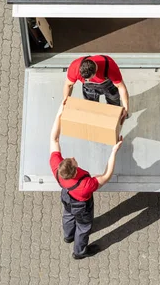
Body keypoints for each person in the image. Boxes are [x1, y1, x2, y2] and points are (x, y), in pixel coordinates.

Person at [49, 101, 124, 259]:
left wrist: (59, 112)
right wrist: (114, 151)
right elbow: (106, 176)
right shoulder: (85, 185)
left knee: (68, 215)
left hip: (67, 197)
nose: (74, 158)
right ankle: (79, 251)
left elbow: (54, 139)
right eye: (74, 161)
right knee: (84, 227)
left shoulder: (57, 167)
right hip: (82, 206)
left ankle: (68, 235)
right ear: (75, 170)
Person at [63, 55, 129, 122]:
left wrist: (126, 108)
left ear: (96, 72)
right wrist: (66, 99)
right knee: (92, 109)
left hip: (109, 87)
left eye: (89, 78)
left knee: (114, 106)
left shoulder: (109, 66)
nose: (88, 80)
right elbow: (68, 85)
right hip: (89, 89)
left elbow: (121, 87)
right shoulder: (75, 67)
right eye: (85, 79)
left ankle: (116, 119)